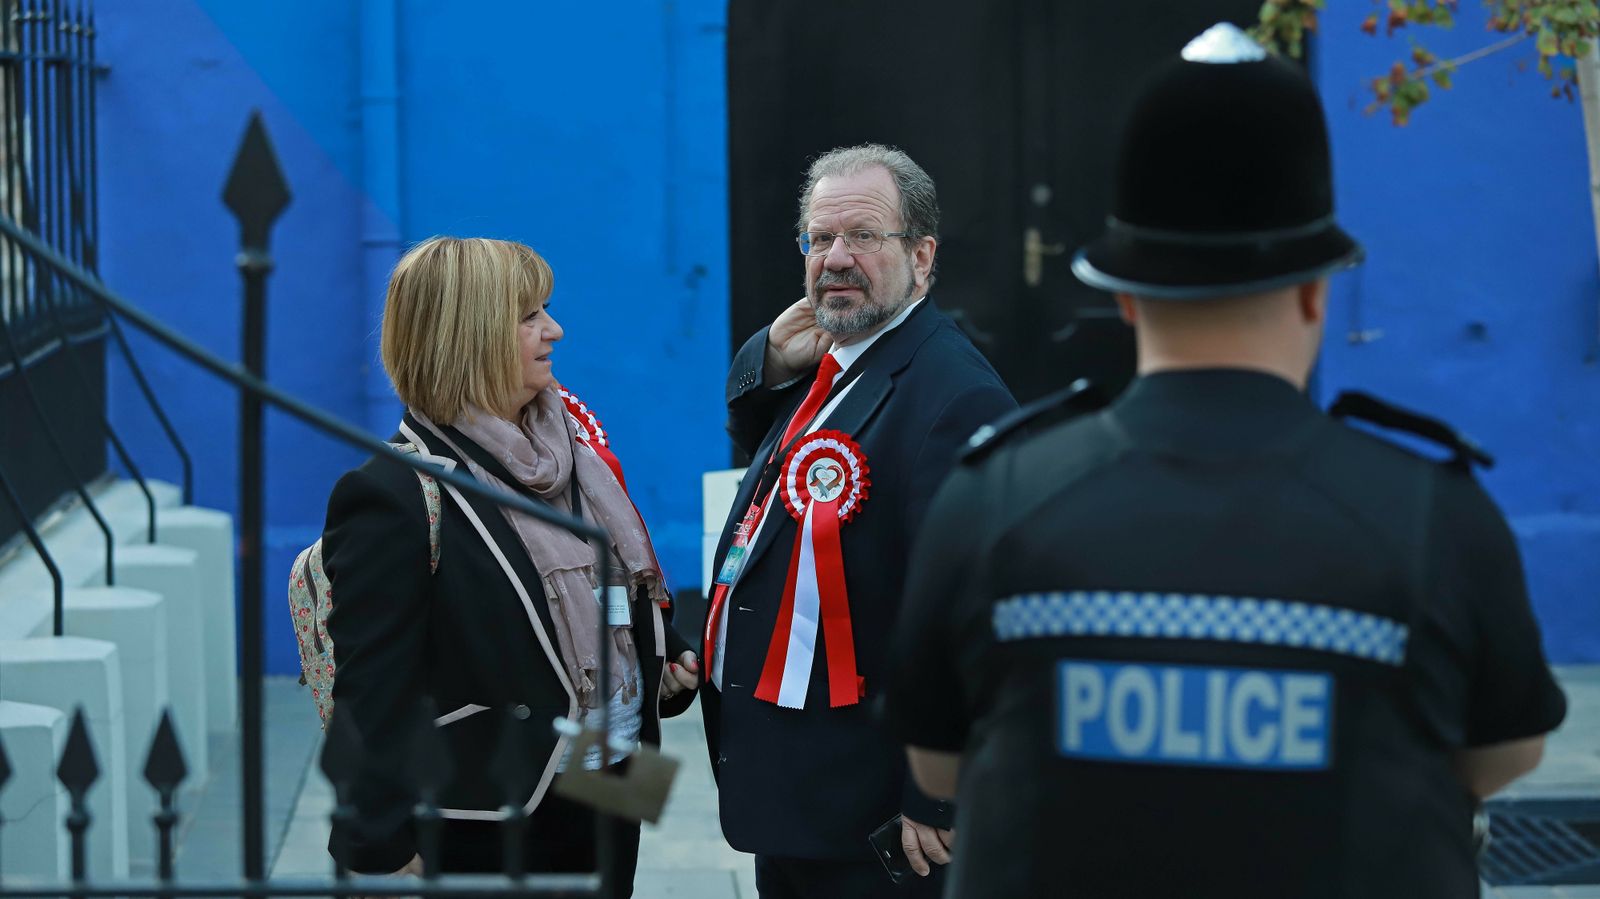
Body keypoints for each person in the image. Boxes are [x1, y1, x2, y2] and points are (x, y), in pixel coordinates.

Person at [883, 24, 1568, 899]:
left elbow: (939, 767)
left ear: (1126, 298)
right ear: (1317, 291)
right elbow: (1507, 752)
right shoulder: (1435, 512)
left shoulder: (993, 498)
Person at [320, 236, 700, 893]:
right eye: (529, 316)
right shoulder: (394, 492)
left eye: (545, 310)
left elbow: (608, 594)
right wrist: (376, 836)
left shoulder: (569, 452)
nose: (555, 329)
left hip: (614, 775)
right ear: (468, 337)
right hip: (499, 813)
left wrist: (664, 658)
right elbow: (372, 685)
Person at [701, 144, 1017, 897]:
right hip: (798, 806)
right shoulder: (836, 363)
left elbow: (971, 617)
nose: (836, 258)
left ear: (922, 255)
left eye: (864, 236)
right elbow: (775, 497)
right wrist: (768, 363)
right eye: (820, 237)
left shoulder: (952, 395)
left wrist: (937, 792)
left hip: (876, 827)